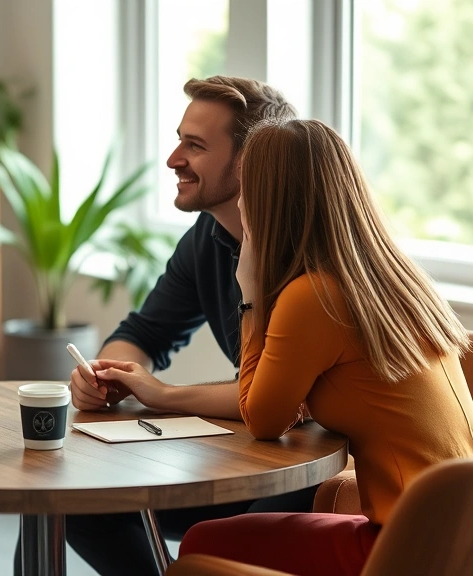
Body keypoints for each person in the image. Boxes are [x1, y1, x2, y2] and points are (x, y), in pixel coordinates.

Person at [167, 118, 473, 575]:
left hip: (414, 546)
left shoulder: (313, 296)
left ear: (269, 201)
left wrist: (250, 295)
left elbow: (262, 419)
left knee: (204, 541)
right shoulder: (392, 277)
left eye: (248, 188)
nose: (241, 201)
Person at [61, 76, 305, 575]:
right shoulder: (207, 237)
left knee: (220, 549)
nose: (173, 159)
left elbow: (291, 402)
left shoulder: (308, 254)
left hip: (313, 468)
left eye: (194, 146)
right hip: (253, 456)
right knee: (74, 505)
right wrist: (108, 375)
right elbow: (147, 333)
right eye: (179, 139)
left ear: (250, 159)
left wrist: (160, 393)